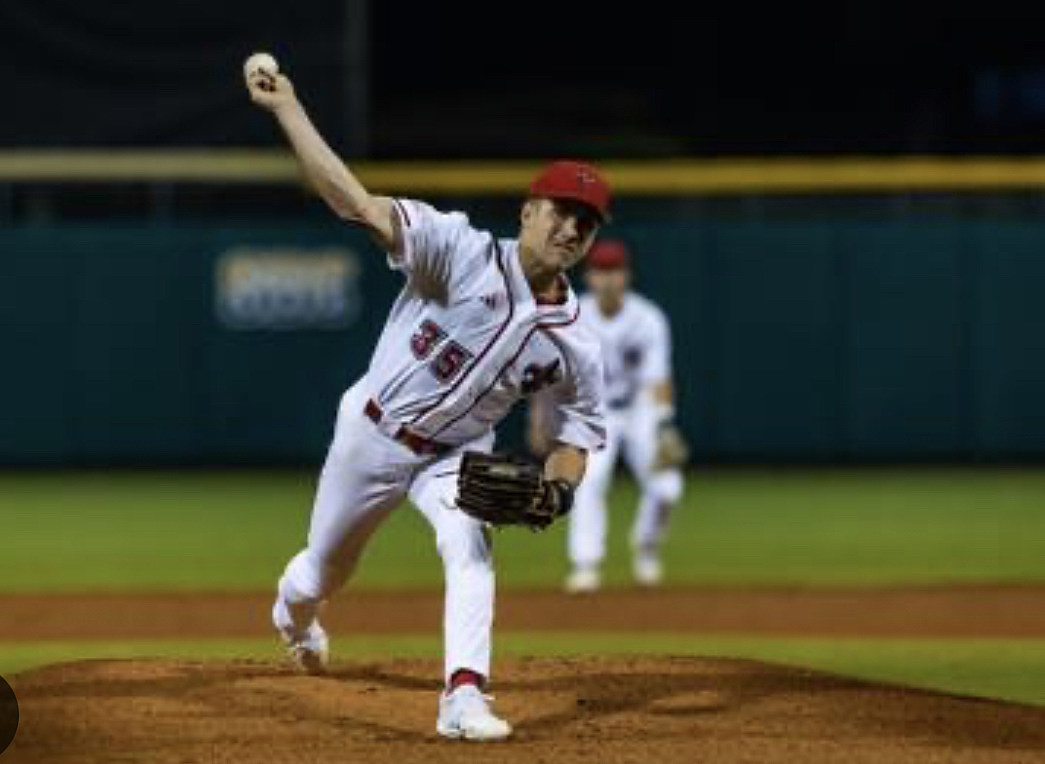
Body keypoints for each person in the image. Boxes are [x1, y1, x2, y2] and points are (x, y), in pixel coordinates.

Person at [246, 65, 608, 741]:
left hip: (457, 454)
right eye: (560, 210)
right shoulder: (457, 251)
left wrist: (558, 493)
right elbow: (355, 203)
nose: (570, 228)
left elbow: (575, 436)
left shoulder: (577, 345)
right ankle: (291, 615)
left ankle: (463, 696)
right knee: (324, 569)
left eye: (584, 222)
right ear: (527, 210)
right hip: (373, 434)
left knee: (470, 545)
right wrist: (289, 109)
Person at [532, 240, 686, 593]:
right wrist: (540, 416)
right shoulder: (573, 314)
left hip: (640, 410)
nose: (608, 279)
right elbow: (548, 371)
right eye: (601, 271)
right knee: (588, 481)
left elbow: (659, 378)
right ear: (590, 277)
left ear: (627, 276)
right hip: (593, 412)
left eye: (614, 271)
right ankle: (586, 565)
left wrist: (663, 424)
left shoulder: (648, 317)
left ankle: (647, 547)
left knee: (668, 488)